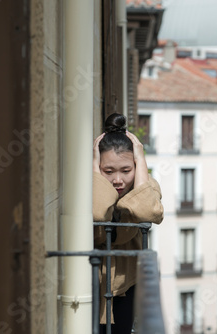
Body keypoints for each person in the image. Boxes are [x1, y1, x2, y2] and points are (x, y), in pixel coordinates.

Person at [92, 113, 164, 333]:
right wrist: (94, 167)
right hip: (91, 281)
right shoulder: (89, 184)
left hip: (127, 283)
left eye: (126, 170)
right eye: (108, 171)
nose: (117, 180)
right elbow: (96, 212)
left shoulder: (147, 186)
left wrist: (141, 160)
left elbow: (148, 211)